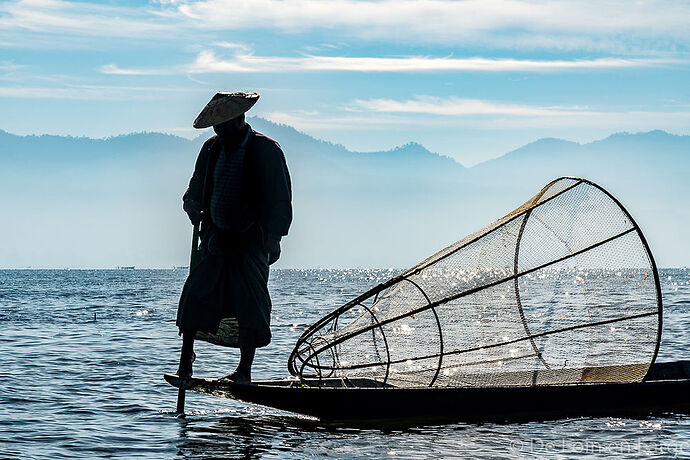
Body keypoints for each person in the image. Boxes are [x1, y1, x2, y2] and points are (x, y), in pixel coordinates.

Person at [175, 92, 292, 384]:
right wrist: (192, 206)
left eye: (225, 125)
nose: (220, 131)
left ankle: (244, 371)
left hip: (251, 238)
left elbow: (280, 197)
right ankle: (186, 361)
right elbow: (195, 188)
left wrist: (275, 236)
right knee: (195, 295)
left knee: (250, 303)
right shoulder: (211, 149)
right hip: (216, 237)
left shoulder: (266, 150)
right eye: (217, 127)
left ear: (239, 120)